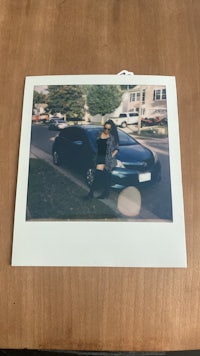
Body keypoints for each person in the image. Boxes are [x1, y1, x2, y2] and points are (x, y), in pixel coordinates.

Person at [84, 119, 119, 200]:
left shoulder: (113, 137)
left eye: (108, 129)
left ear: (111, 129)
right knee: (97, 176)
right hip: (100, 157)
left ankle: (105, 193)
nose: (106, 130)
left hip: (108, 159)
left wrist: (110, 157)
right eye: (105, 128)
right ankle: (91, 194)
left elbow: (117, 149)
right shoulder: (100, 134)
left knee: (106, 177)